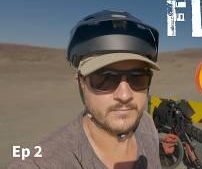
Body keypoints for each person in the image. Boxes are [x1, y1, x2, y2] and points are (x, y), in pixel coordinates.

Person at [8, 10, 162, 169]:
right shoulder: (46, 160)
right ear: (81, 82)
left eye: (138, 78)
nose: (125, 95)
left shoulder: (146, 122)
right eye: (105, 78)